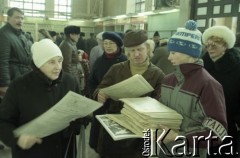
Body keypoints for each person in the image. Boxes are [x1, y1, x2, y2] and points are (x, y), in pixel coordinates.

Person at [0, 39, 89, 158]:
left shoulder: (70, 82)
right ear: (38, 63)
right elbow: (3, 121)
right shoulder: (19, 86)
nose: (58, 67)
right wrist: (18, 139)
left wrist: (82, 119)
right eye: (51, 62)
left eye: (60, 60)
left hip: (64, 149)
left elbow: (77, 113)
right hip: (33, 152)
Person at [90, 30, 165, 158]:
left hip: (141, 128)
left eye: (140, 49)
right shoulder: (116, 69)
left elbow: (161, 101)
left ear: (147, 49)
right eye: (132, 51)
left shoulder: (158, 74)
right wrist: (100, 94)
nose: (136, 54)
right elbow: (101, 87)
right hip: (115, 126)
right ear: (127, 52)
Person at [158, 20, 227, 158]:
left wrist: (178, 137)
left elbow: (218, 133)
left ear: (189, 53)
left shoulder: (208, 84)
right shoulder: (168, 80)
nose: (169, 56)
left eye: (173, 52)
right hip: (163, 149)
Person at [202, 25, 240, 157]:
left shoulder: (236, 67)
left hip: (227, 124)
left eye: (215, 45)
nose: (210, 48)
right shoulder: (202, 64)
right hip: (202, 123)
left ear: (225, 46)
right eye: (208, 45)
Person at [0, 7, 32, 99]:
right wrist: (4, 84)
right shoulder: (3, 34)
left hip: (23, 77)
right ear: (8, 18)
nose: (20, 20)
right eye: (17, 17)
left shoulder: (21, 35)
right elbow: (2, 61)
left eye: (22, 18)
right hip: (12, 79)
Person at [88, 31, 128, 97]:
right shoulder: (99, 61)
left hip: (121, 98)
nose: (108, 46)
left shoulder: (125, 60)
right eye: (105, 43)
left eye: (111, 43)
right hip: (102, 98)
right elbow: (92, 81)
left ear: (117, 45)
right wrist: (96, 95)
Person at [59, 25, 86, 95]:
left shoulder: (71, 43)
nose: (79, 37)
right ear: (71, 34)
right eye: (77, 35)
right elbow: (66, 65)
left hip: (75, 74)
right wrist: (71, 80)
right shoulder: (66, 45)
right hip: (73, 76)